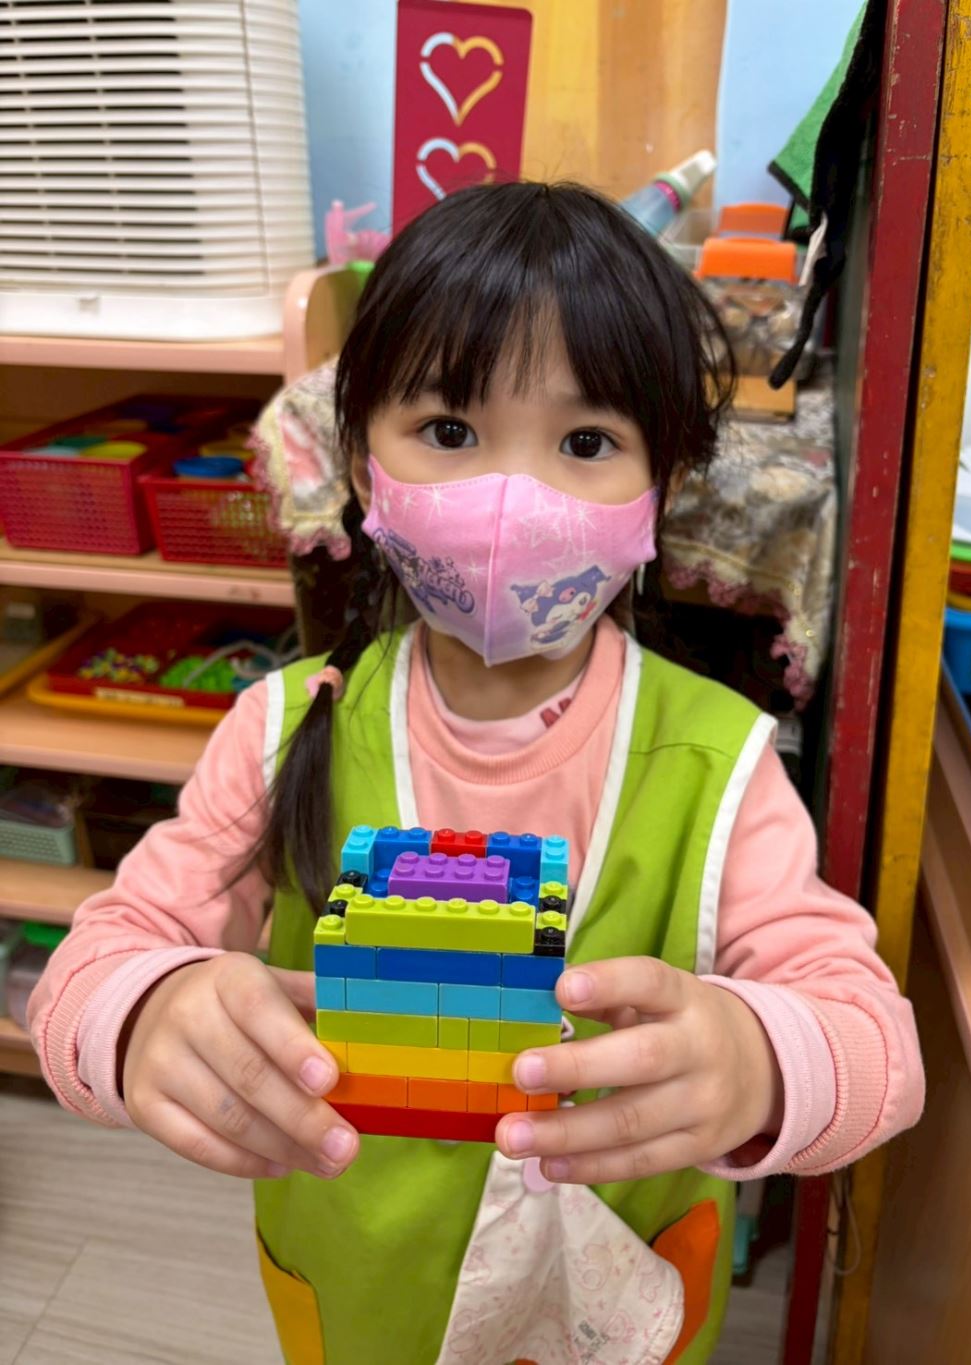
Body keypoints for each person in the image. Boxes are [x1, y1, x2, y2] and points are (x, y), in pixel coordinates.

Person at [29, 182, 924, 1365]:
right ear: (363, 460)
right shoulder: (280, 730)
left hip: (609, 1310)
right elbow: (91, 967)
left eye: (586, 443)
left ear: (661, 488)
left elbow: (877, 1046)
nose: (513, 499)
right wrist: (146, 1011)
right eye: (449, 431)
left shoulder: (720, 764)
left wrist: (762, 1059)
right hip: (363, 1302)